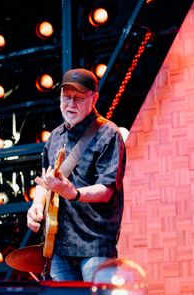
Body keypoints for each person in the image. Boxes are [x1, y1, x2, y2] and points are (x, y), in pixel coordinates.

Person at [26, 68, 126, 282]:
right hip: (58, 245)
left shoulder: (109, 134)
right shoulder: (54, 137)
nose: (70, 104)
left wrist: (74, 193)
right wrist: (35, 206)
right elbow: (45, 182)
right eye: (66, 97)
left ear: (94, 98)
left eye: (78, 98)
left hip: (94, 245)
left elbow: (107, 190)